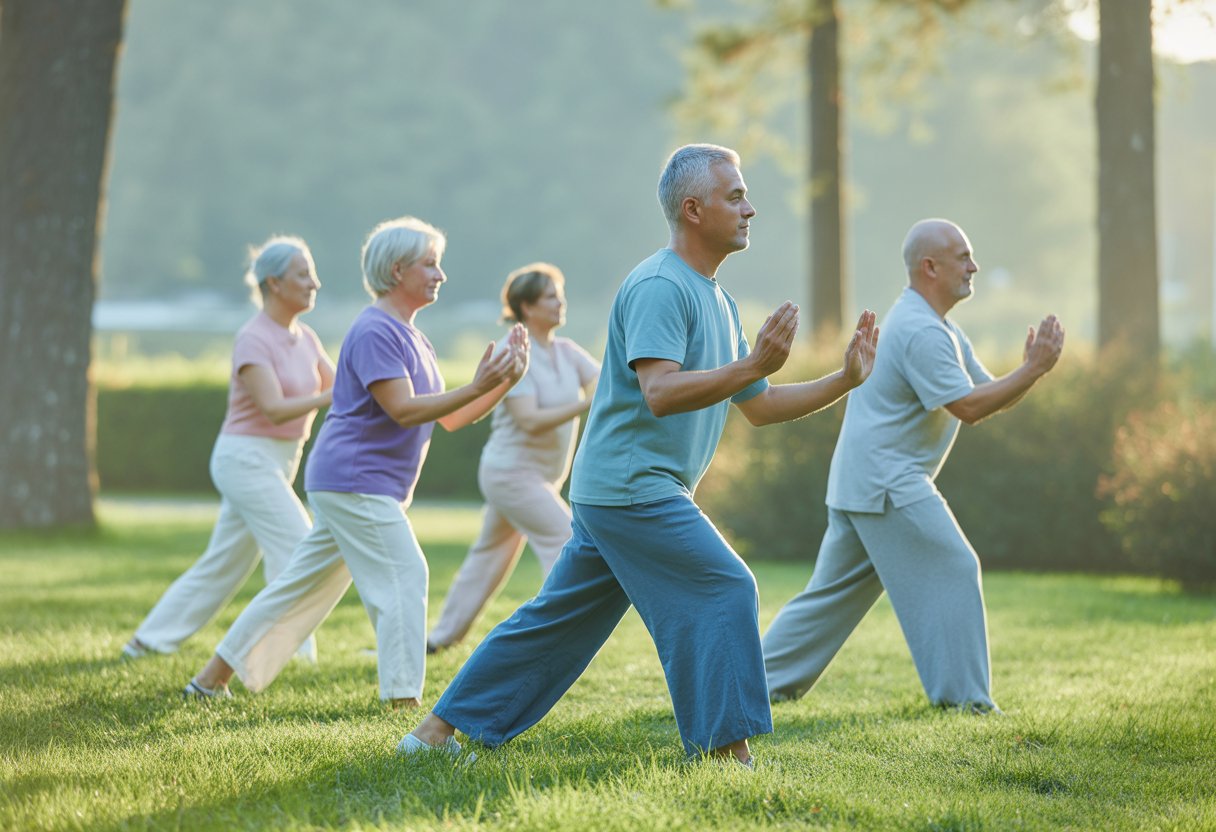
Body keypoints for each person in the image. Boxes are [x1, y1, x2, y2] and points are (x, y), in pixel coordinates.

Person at [401, 144, 878, 765]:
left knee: (559, 621)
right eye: (735, 196)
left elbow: (759, 404)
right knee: (725, 586)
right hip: (634, 486)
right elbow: (659, 392)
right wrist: (751, 363)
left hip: (623, 489)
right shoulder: (660, 286)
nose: (750, 209)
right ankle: (723, 754)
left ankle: (433, 734)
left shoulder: (717, 298)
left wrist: (843, 380)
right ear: (693, 208)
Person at [182, 216, 528, 706]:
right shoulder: (374, 331)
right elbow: (404, 411)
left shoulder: (414, 337)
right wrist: (476, 384)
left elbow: (450, 418)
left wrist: (502, 382)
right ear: (396, 269)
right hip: (355, 480)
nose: (440, 274)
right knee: (406, 574)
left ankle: (209, 680)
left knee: (298, 588)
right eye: (429, 264)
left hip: (358, 482)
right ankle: (403, 700)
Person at [761, 218, 1065, 712]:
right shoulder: (920, 329)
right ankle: (966, 702)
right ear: (930, 266)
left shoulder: (937, 326)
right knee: (955, 565)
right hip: (888, 482)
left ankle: (747, 683)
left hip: (863, 482)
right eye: (963, 256)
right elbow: (968, 407)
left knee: (826, 601)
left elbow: (985, 395)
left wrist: (1027, 371)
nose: (974, 266)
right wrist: (1033, 369)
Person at [123, 236, 334, 662]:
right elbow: (274, 408)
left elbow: (339, 385)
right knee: (299, 545)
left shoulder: (306, 337)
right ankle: (292, 657)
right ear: (274, 283)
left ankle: (147, 641)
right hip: (245, 459)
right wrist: (335, 396)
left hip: (277, 461)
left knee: (222, 566)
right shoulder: (254, 338)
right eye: (303, 274)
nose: (314, 282)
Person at [427, 263, 600, 652]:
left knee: (488, 558)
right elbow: (530, 420)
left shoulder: (567, 352)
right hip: (510, 474)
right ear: (525, 306)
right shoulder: (513, 350)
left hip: (537, 478)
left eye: (560, 294)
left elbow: (605, 382)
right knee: (567, 540)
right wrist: (586, 403)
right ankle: (559, 633)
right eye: (550, 296)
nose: (560, 302)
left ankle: (440, 638)